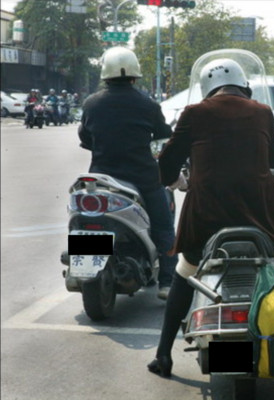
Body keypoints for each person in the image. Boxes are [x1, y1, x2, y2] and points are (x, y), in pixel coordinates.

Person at [147, 58, 274, 378]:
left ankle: (163, 355)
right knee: (273, 268)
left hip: (207, 219)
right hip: (260, 218)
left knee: (185, 275)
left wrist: (176, 181)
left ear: (206, 89)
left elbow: (167, 161)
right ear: (244, 86)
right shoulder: (261, 112)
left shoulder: (195, 113)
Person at [78, 46, 177, 300]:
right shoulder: (148, 104)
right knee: (164, 227)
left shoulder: (91, 104)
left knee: (86, 215)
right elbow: (164, 134)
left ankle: (81, 265)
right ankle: (167, 283)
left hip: (102, 179)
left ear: (105, 75)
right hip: (143, 177)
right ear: (135, 75)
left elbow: (85, 137)